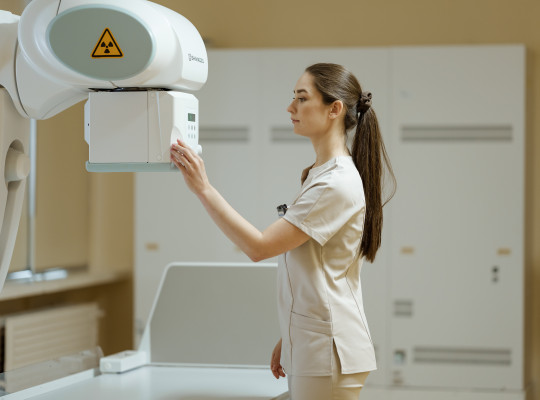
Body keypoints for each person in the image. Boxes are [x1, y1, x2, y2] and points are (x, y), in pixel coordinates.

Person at [170, 63, 395, 400]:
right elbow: (313, 271)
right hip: (315, 343)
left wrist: (203, 188)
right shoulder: (321, 174)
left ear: (334, 109)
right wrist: (289, 336)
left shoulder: (335, 183)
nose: (291, 108)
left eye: (302, 99)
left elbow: (259, 247)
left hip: (328, 350)